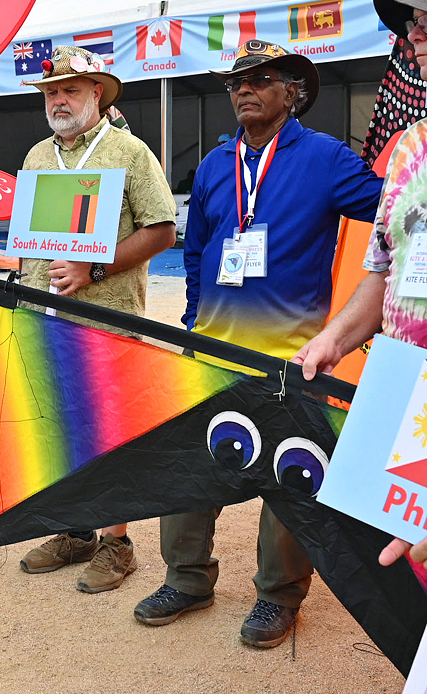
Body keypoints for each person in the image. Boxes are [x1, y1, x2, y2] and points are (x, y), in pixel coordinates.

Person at [134, 40, 383, 648]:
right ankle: (187, 577)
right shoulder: (218, 165)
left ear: (291, 92)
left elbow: (394, 205)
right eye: (235, 82)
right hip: (214, 350)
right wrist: (194, 319)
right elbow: (196, 251)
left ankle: (278, 596)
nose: (243, 89)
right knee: (191, 469)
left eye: (260, 79)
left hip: (292, 355)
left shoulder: (325, 158)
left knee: (291, 474)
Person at [17, 45, 176, 593]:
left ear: (98, 95)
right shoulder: (37, 155)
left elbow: (162, 230)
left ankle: (117, 542)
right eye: (52, 92)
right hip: (46, 317)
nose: (59, 100)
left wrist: (94, 268)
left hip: (109, 318)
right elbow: (31, 242)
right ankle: (75, 528)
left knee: (111, 432)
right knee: (60, 429)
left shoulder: (130, 152)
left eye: (71, 90)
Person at [293, 0, 427, 569]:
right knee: (400, 569)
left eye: (426, 18)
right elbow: (383, 269)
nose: (413, 32)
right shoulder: (407, 148)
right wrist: (335, 338)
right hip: (405, 389)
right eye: (410, 22)